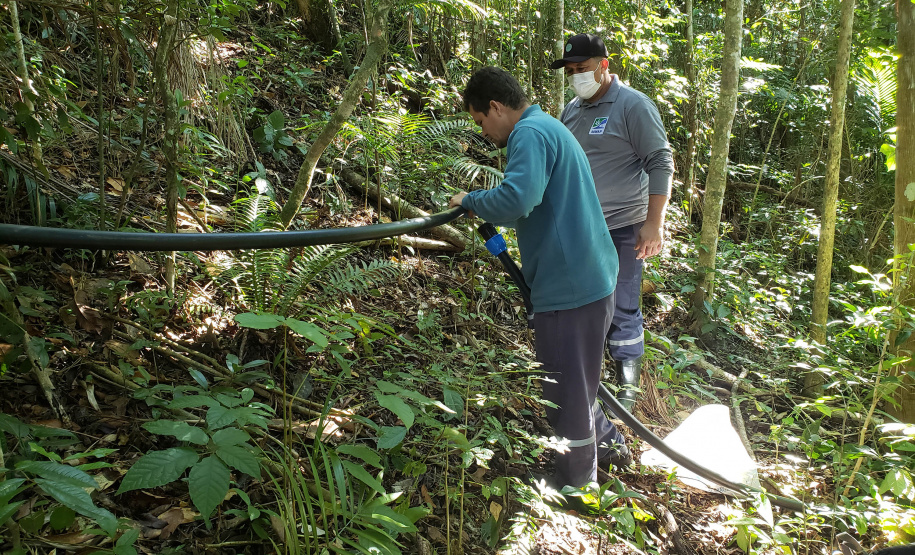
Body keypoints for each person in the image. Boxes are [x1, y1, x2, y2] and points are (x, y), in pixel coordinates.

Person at [449, 67, 630, 490]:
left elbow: (519, 198)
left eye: (481, 120)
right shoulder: (547, 125)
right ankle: (608, 445)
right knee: (580, 380)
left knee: (566, 391)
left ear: (496, 107)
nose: (483, 132)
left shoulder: (528, 133)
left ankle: (578, 484)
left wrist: (471, 199)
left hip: (571, 288)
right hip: (590, 276)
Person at [551, 34, 675, 411]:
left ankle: (627, 379)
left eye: (582, 68)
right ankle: (584, 374)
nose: (576, 76)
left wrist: (654, 223)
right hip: (581, 226)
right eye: (570, 71)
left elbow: (660, 161)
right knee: (584, 299)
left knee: (622, 300)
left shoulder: (632, 105)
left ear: (604, 65)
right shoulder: (571, 111)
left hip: (624, 225)